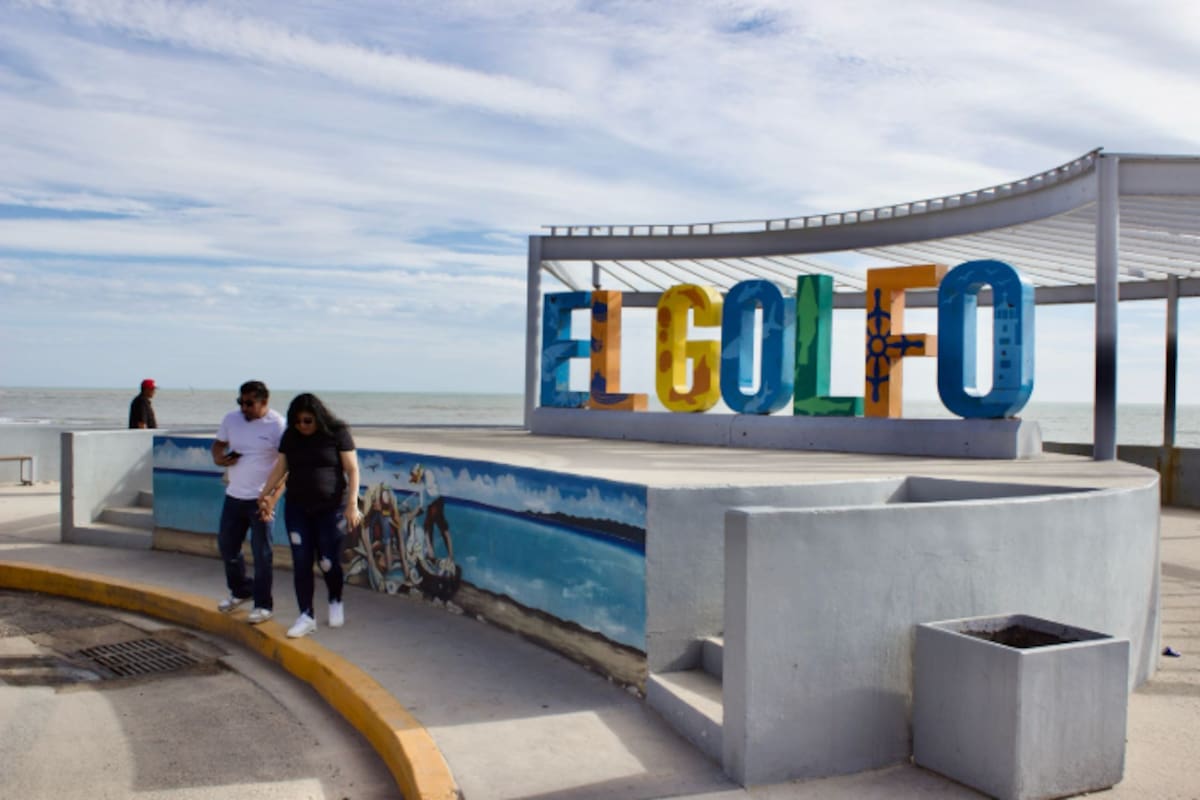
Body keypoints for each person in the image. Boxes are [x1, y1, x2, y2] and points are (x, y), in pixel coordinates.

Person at [259, 393, 362, 638]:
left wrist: (352, 504)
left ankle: (335, 599)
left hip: (330, 508)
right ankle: (306, 615)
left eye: (307, 421)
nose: (302, 426)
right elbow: (281, 467)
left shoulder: (337, 432)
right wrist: (264, 493)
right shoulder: (291, 437)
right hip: (297, 507)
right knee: (302, 560)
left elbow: (352, 469)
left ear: (318, 417)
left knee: (327, 560)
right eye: (297, 422)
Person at [212, 380, 286, 624]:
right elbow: (218, 445)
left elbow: (287, 467)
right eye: (240, 402)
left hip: (260, 501)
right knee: (227, 546)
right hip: (234, 496)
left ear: (264, 402)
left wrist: (272, 499)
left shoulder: (278, 425)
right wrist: (220, 459)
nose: (243, 408)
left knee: (262, 554)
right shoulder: (231, 420)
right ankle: (241, 590)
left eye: (249, 403)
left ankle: (264, 605)